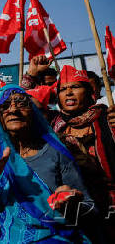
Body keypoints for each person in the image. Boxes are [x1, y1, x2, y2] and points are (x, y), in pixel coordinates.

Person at [0, 85, 96, 243]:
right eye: (5, 106)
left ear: (32, 112)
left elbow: (90, 209)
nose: (13, 110)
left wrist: (71, 204)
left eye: (21, 103)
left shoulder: (55, 152)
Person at [52, 65, 115, 222]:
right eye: (63, 89)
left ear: (89, 92)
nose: (69, 92)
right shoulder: (53, 126)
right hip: (73, 211)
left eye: (75, 86)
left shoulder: (108, 119)